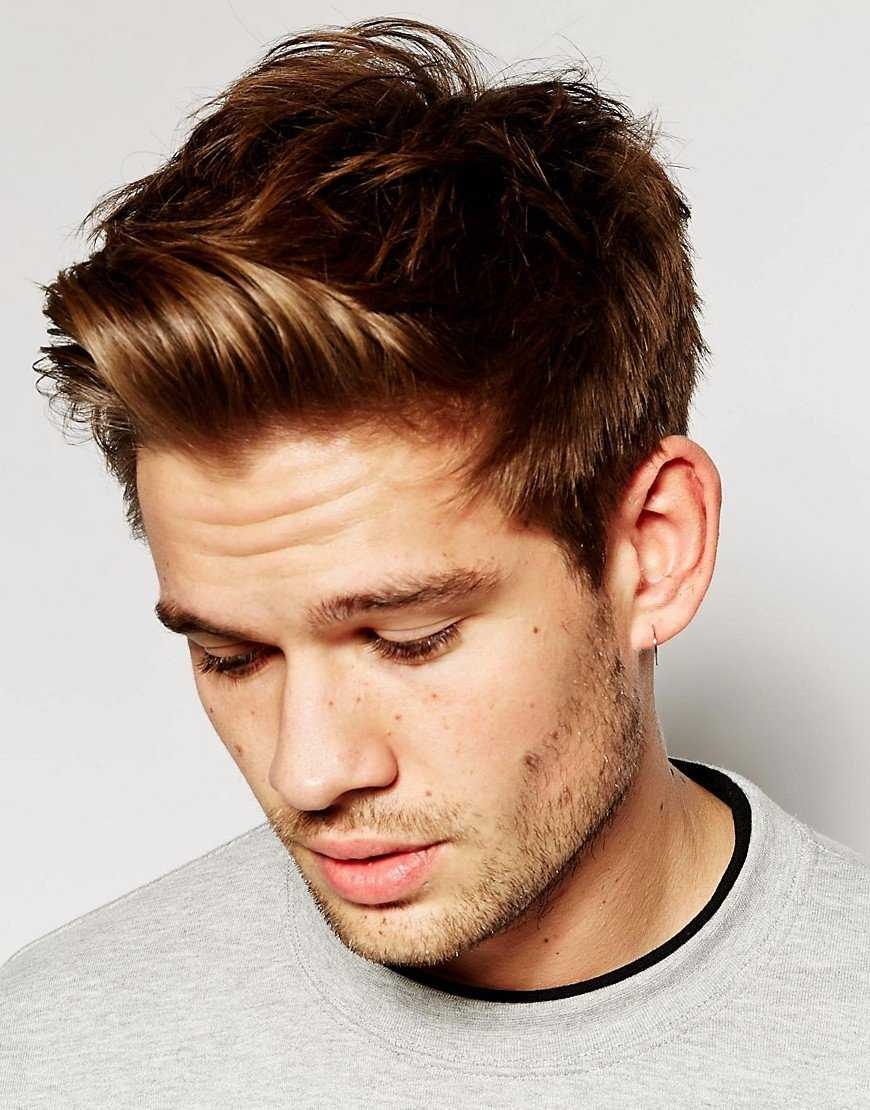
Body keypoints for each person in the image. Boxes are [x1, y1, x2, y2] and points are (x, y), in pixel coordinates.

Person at [2, 16, 868, 1107]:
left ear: (655, 551)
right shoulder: (49, 1053)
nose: (309, 772)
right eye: (231, 656)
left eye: (410, 638)